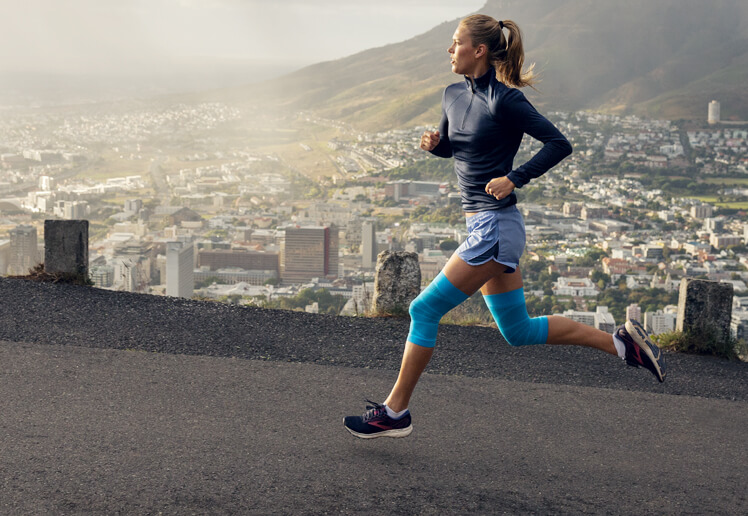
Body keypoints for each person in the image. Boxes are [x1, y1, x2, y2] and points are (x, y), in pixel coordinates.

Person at [344, 14, 665, 439]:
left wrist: (515, 177)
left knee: (423, 309)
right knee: (518, 331)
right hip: (487, 226)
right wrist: (438, 147)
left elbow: (559, 144)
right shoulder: (451, 94)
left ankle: (395, 412)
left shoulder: (505, 100)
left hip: (495, 227)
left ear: (478, 50)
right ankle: (623, 343)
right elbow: (460, 149)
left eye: (456, 42)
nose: (449, 49)